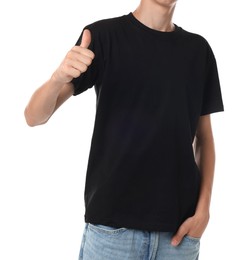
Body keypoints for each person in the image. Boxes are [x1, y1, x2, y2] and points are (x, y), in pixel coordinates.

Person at [24, 0, 224, 259]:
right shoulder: (103, 37)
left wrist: (204, 211)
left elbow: (205, 138)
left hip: (178, 236)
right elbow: (34, 117)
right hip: (112, 233)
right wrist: (56, 79)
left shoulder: (199, 51)